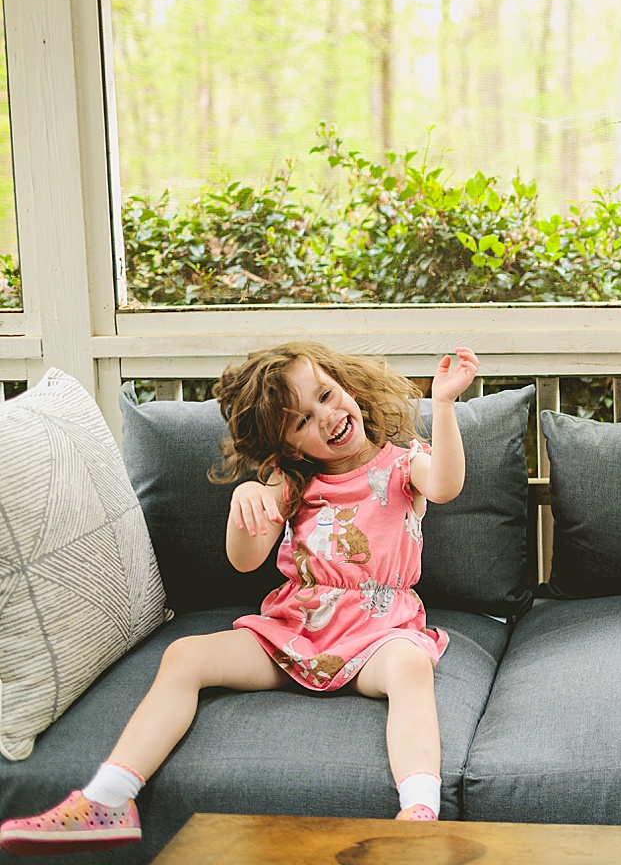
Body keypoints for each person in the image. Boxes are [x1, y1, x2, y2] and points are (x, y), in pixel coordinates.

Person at [0, 342, 480, 855]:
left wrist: (445, 404)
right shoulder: (293, 483)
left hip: (378, 632)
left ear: (347, 386)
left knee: (411, 667)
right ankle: (107, 801)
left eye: (326, 394)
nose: (327, 416)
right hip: (298, 629)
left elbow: (447, 485)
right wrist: (245, 500)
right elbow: (245, 560)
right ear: (292, 447)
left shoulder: (405, 466)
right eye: (302, 421)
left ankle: (419, 812)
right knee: (185, 655)